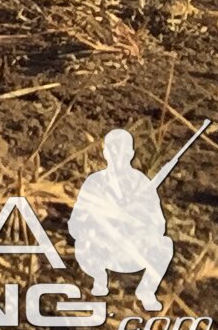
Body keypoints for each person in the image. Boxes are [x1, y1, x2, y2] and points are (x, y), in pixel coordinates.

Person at [68, 129, 176, 310]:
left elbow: (159, 225)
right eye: (113, 151)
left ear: (131, 154)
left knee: (165, 245)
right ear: (105, 153)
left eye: (123, 151)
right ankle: (99, 280)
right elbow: (75, 224)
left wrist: (136, 222)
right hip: (100, 250)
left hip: (133, 251)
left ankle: (147, 291)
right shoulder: (94, 182)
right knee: (82, 243)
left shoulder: (142, 183)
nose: (118, 157)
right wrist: (98, 224)